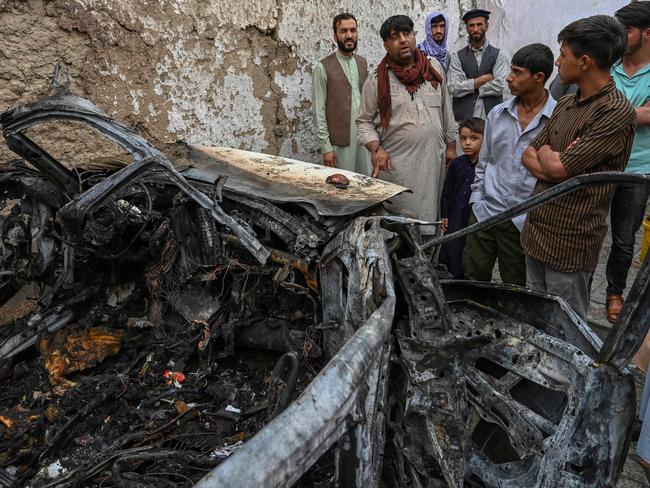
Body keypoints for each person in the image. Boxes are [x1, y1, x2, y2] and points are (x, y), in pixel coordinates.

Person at [520, 15, 636, 322]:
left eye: (563, 55)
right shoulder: (566, 104)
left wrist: (553, 161)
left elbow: (558, 169)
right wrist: (553, 158)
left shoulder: (615, 112)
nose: (558, 62)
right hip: (536, 234)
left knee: (564, 332)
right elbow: (529, 155)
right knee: (535, 323)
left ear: (584, 61)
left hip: (569, 245)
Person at [463, 44, 556, 286]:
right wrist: (477, 201)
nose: (509, 77)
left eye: (516, 72)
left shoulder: (556, 120)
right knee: (473, 279)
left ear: (538, 78)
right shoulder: (497, 114)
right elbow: (483, 164)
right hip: (485, 212)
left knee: (516, 286)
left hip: (523, 222)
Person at [356, 15, 456, 226]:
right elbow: (363, 122)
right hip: (398, 169)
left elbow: (447, 109)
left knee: (431, 220)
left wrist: (451, 147)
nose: (403, 40)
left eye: (407, 33)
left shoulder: (434, 69)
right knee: (402, 226)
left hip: (433, 164)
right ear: (386, 44)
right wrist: (376, 149)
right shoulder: (376, 81)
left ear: (414, 36)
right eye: (395, 36)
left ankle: (428, 257)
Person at [604, 1, 650, 324]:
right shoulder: (609, 63)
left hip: (638, 169)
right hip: (601, 162)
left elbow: (604, 110)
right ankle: (581, 285)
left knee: (623, 237)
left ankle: (614, 292)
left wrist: (612, 112)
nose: (619, 36)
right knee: (588, 229)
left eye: (627, 31)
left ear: (647, 34)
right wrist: (636, 113)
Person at [312, 13, 371, 175]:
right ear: (335, 36)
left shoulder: (362, 63)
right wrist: (326, 148)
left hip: (364, 141)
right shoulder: (322, 67)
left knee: (365, 185)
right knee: (341, 187)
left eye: (353, 30)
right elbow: (318, 112)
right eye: (344, 31)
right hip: (339, 145)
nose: (349, 35)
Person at [439, 117, 484, 278]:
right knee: (452, 248)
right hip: (456, 215)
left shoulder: (485, 166)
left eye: (474, 138)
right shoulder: (457, 164)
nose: (467, 143)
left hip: (475, 215)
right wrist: (444, 215)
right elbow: (447, 192)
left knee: (472, 251)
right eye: (463, 138)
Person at [448, 9, 509, 121]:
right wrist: (481, 80)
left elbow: (499, 86)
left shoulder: (498, 55)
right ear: (467, 28)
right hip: (464, 120)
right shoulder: (457, 56)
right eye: (471, 25)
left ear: (486, 26)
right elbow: (454, 88)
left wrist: (468, 86)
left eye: (479, 24)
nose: (475, 29)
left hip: (491, 120)